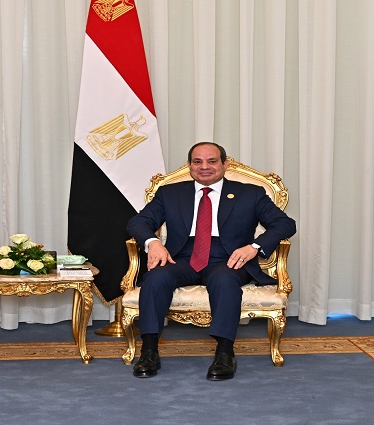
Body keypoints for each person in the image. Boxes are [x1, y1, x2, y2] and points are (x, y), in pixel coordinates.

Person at [126, 142, 296, 380]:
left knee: (224, 280)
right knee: (156, 277)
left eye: (212, 161)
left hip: (229, 259)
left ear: (225, 164)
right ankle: (149, 351)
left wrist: (254, 247)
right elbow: (138, 222)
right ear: (189, 166)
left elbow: (285, 224)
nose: (204, 167)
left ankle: (225, 353)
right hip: (182, 257)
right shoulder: (170, 193)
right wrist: (153, 243)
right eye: (197, 162)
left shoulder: (250, 193)